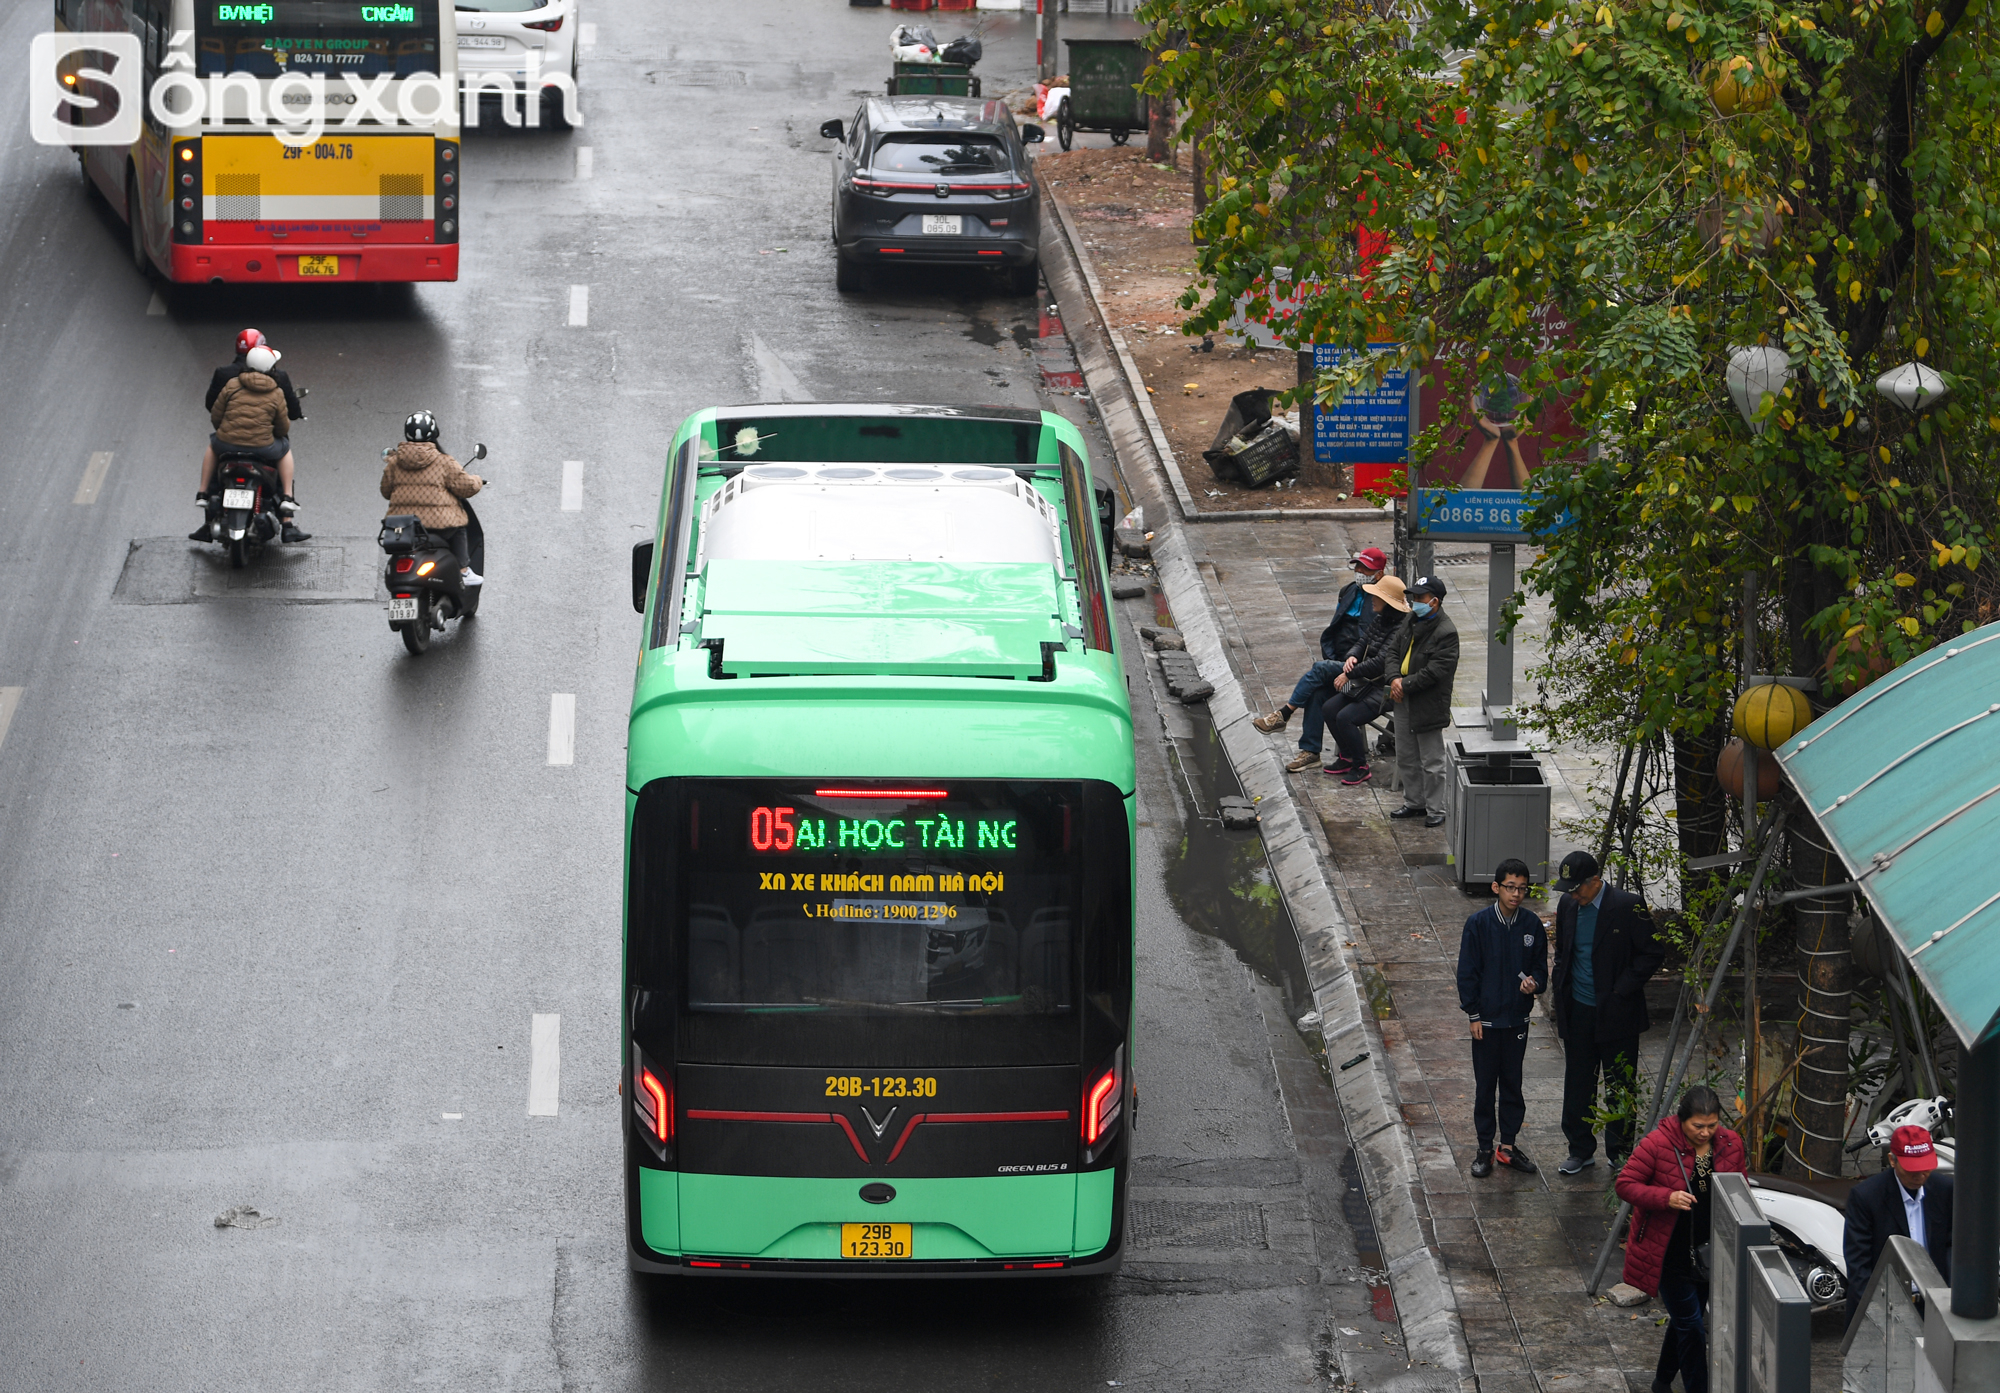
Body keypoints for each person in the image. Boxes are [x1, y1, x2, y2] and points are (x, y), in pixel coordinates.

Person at [1616, 1085, 1746, 1393]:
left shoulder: (1730, 1144)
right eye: (1697, 1126)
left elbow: (1739, 1188)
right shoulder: (1658, 1144)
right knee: (1691, 1327)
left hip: (1709, 1251)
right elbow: (1626, 1184)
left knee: (1685, 1320)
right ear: (1682, 1120)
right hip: (1668, 1251)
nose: (1705, 1133)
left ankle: (1661, 1383)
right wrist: (1666, 1197)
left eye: (1711, 1126)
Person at [1548, 850, 1663, 1173]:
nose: (1572, 894)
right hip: (1578, 1010)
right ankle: (1580, 1148)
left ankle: (1620, 1151)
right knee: (1579, 1082)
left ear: (1595, 882)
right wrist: (1561, 984)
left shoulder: (1627, 906)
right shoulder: (1569, 905)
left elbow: (1652, 952)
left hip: (1617, 1012)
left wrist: (1621, 989)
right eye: (1568, 889)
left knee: (1619, 1084)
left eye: (1577, 888)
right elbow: (1564, 951)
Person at [1252, 547, 1391, 771]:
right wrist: (1338, 665)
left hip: (1365, 674)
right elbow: (1336, 632)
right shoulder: (1349, 591)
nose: (1359, 571)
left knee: (1319, 669)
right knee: (1317, 691)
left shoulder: (1384, 604)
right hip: (1342, 661)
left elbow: (1374, 651)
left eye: (1365, 568)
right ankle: (1310, 752)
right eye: (1357, 566)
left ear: (1379, 573)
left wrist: (1347, 670)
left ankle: (1284, 714)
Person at [1456, 857, 1548, 1178]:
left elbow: (1540, 967)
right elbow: (1467, 973)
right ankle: (1484, 1148)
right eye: (1510, 887)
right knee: (1485, 1087)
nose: (1517, 894)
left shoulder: (1532, 925)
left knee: (1513, 1084)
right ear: (1497, 888)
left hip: (1517, 1022)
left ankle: (1507, 1146)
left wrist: (1534, 983)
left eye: (1522, 888)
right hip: (1487, 1023)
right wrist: (1474, 1015)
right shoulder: (1478, 924)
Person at [1348, 573, 1458, 827]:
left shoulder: (1446, 632)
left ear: (1435, 601)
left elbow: (1435, 671)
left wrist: (1402, 684)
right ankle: (1414, 802)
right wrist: (1394, 677)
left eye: (1420, 598)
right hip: (1401, 697)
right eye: (1414, 597)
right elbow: (1393, 654)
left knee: (1432, 761)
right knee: (1406, 755)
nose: (1415, 601)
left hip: (1427, 702)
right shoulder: (1410, 620)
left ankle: (1435, 809)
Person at [1843, 1124, 1954, 1333]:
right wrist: (1876, 1314)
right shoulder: (1866, 1197)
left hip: (1934, 1306)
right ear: (1892, 1161)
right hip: (1885, 1305)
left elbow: (1952, 1246)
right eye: (1912, 1169)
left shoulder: (1945, 1190)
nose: (1920, 1176)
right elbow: (1859, 1265)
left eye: (1926, 1168)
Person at [198, 345, 309, 544]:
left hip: (227, 445)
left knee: (212, 445)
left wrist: (225, 434)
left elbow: (216, 415)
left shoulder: (232, 384)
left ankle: (203, 493)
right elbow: (283, 428)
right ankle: (287, 499)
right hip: (263, 448)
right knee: (284, 449)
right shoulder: (275, 392)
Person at [1313, 574, 1408, 786]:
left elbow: (1381, 662)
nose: (1371, 599)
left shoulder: (1400, 629)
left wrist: (1349, 673)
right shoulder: (1379, 620)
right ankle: (1346, 757)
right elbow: (1362, 642)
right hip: (1367, 683)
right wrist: (1352, 657)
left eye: (1376, 597)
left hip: (1386, 688)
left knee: (1346, 717)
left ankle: (1361, 766)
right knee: (1329, 708)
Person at [381, 410, 485, 586]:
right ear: (433, 433)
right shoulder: (443, 461)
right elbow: (466, 487)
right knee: (460, 527)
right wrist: (478, 480)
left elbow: (385, 491)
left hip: (404, 528)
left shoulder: (394, 462)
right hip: (439, 527)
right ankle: (464, 571)